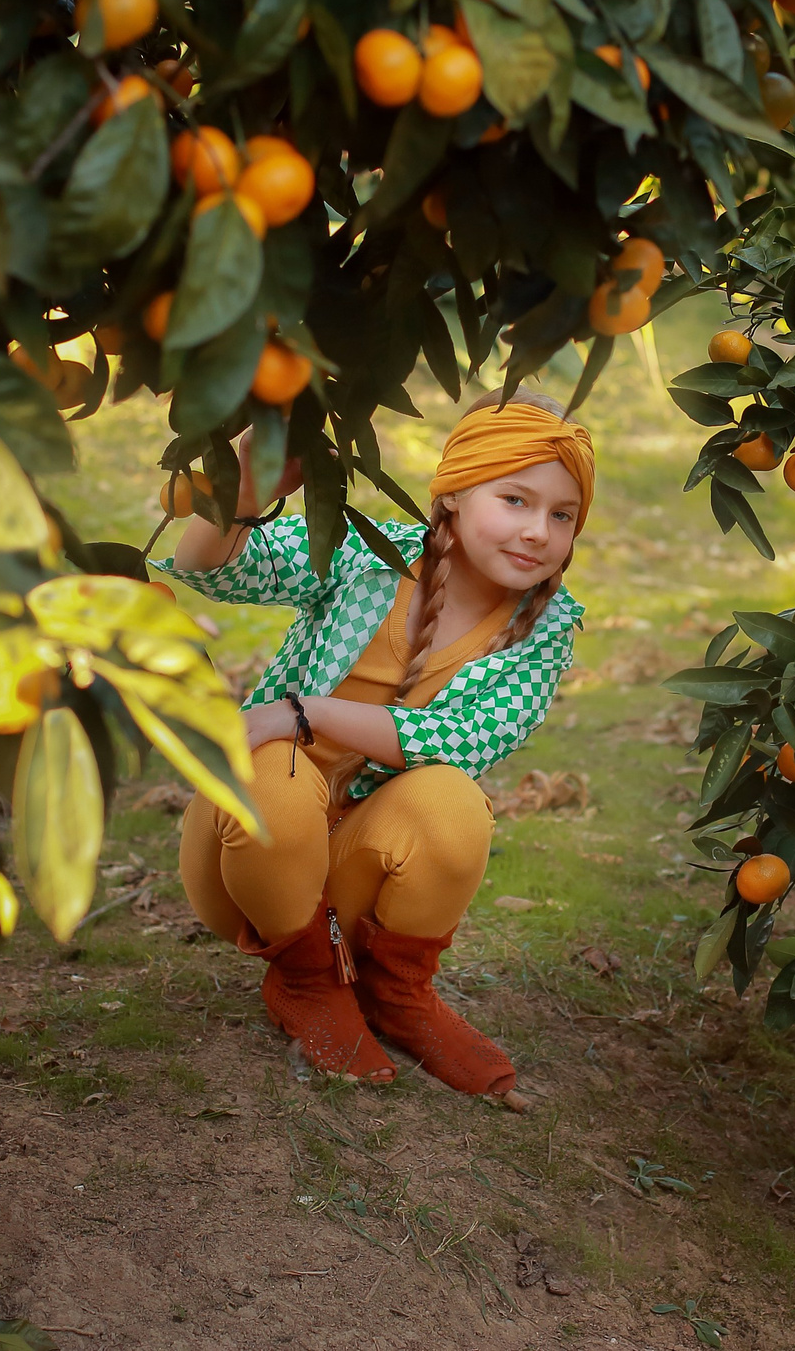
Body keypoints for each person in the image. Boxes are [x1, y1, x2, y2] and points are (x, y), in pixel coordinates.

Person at [158, 390, 591, 1103]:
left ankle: (396, 993)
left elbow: (450, 738)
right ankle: (304, 977)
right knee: (276, 772)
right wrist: (245, 486)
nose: (538, 531)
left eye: (562, 515)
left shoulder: (543, 634)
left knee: (454, 800)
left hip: (354, 878)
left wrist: (300, 711)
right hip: (247, 859)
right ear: (452, 494)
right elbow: (212, 567)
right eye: (515, 499)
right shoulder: (365, 552)